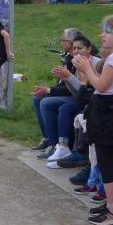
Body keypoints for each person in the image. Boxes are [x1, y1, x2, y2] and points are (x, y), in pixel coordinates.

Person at [72, 15, 113, 225]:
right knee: (111, 162)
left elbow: (100, 85)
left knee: (107, 164)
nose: (102, 35)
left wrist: (86, 69)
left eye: (108, 31)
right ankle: (112, 203)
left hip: (108, 115)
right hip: (110, 113)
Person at [48, 35, 99, 168]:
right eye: (74, 48)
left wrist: (70, 77)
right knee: (56, 105)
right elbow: (77, 93)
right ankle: (57, 145)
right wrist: (66, 80)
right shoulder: (77, 63)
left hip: (95, 100)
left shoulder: (96, 63)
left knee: (66, 108)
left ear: (89, 49)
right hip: (84, 98)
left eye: (79, 48)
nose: (76, 51)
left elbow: (90, 90)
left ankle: (66, 148)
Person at [31, 28, 81, 158]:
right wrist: (48, 89)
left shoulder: (78, 58)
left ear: (70, 42)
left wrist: (49, 90)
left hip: (77, 95)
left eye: (62, 40)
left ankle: (55, 145)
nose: (61, 43)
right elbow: (64, 84)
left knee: (46, 103)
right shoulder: (69, 57)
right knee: (37, 99)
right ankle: (47, 138)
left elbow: (72, 87)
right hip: (72, 92)